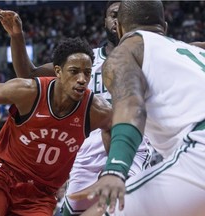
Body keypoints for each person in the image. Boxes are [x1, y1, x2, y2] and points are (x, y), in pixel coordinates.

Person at [0, 3, 152, 216]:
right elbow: (29, 75)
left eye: (122, 15)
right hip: (85, 149)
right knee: (71, 210)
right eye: (113, 15)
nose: (117, 20)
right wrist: (17, 37)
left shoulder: (149, 56)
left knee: (123, 206)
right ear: (105, 20)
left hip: (126, 143)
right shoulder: (85, 60)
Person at [0, 37, 113, 216]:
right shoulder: (28, 91)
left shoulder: (95, 109)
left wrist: (112, 170)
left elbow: (116, 128)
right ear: (58, 71)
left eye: (87, 73)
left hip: (40, 195)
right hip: (3, 176)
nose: (82, 79)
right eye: (74, 71)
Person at [69, 1, 205, 216]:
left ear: (120, 28)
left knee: (103, 212)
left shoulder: (125, 52)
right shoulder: (190, 52)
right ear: (165, 28)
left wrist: (115, 169)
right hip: (191, 149)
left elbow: (132, 106)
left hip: (200, 147)